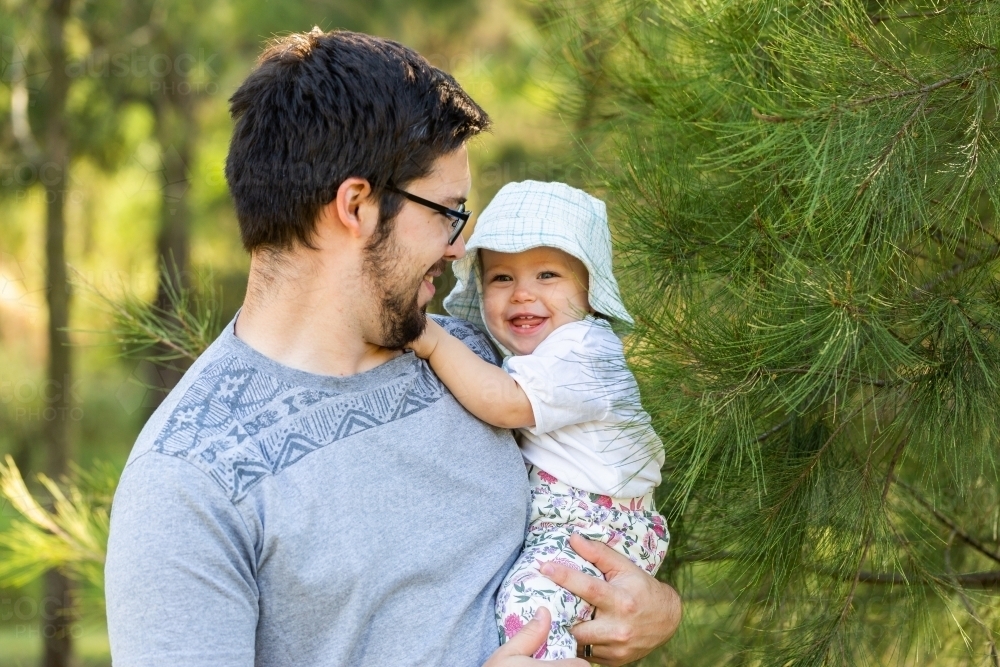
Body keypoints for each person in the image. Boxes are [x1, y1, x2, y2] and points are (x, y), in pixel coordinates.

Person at [104, 29, 681, 667]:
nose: (461, 248)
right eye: (447, 212)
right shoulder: (192, 479)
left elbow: (603, 496)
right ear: (356, 205)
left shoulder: (485, 359)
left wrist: (656, 608)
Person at [408, 181, 668, 660]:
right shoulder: (545, 351)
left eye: (547, 275)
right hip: (583, 523)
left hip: (595, 525)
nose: (522, 293)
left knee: (534, 603)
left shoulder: (584, 350)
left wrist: (428, 340)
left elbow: (506, 403)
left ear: (589, 292)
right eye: (501, 278)